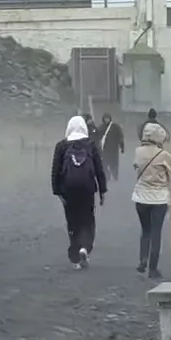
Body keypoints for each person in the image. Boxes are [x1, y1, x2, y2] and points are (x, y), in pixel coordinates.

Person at [51, 115, 108, 269]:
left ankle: (75, 256)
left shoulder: (61, 146)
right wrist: (102, 190)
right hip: (87, 187)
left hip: (68, 189)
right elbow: (99, 169)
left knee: (73, 220)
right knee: (88, 219)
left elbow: (55, 170)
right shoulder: (91, 144)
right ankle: (85, 247)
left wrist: (57, 191)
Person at [132, 122, 171, 279]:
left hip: (140, 196)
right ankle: (153, 268)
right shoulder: (164, 155)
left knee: (145, 230)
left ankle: (142, 259)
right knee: (156, 232)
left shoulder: (138, 151)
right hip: (158, 198)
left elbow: (135, 167)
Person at [96, 113, 126, 178]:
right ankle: (107, 175)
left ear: (110, 119)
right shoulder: (101, 127)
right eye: (105, 118)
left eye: (107, 118)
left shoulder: (115, 127)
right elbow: (97, 138)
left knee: (114, 163)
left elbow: (120, 137)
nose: (106, 120)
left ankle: (115, 175)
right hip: (105, 149)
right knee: (105, 163)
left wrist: (122, 146)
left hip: (114, 149)